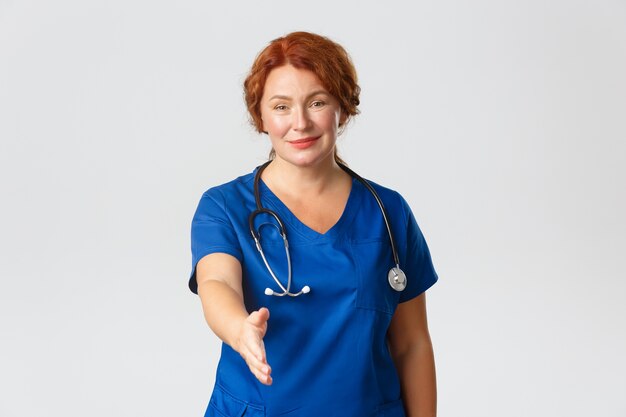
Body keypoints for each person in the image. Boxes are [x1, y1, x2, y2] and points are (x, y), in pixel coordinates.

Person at [188, 31, 438, 417]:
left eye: (317, 102)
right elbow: (216, 282)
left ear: (344, 107)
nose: (300, 123)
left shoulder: (388, 213)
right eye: (281, 107)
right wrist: (239, 329)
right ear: (261, 117)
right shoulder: (224, 207)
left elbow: (412, 344)